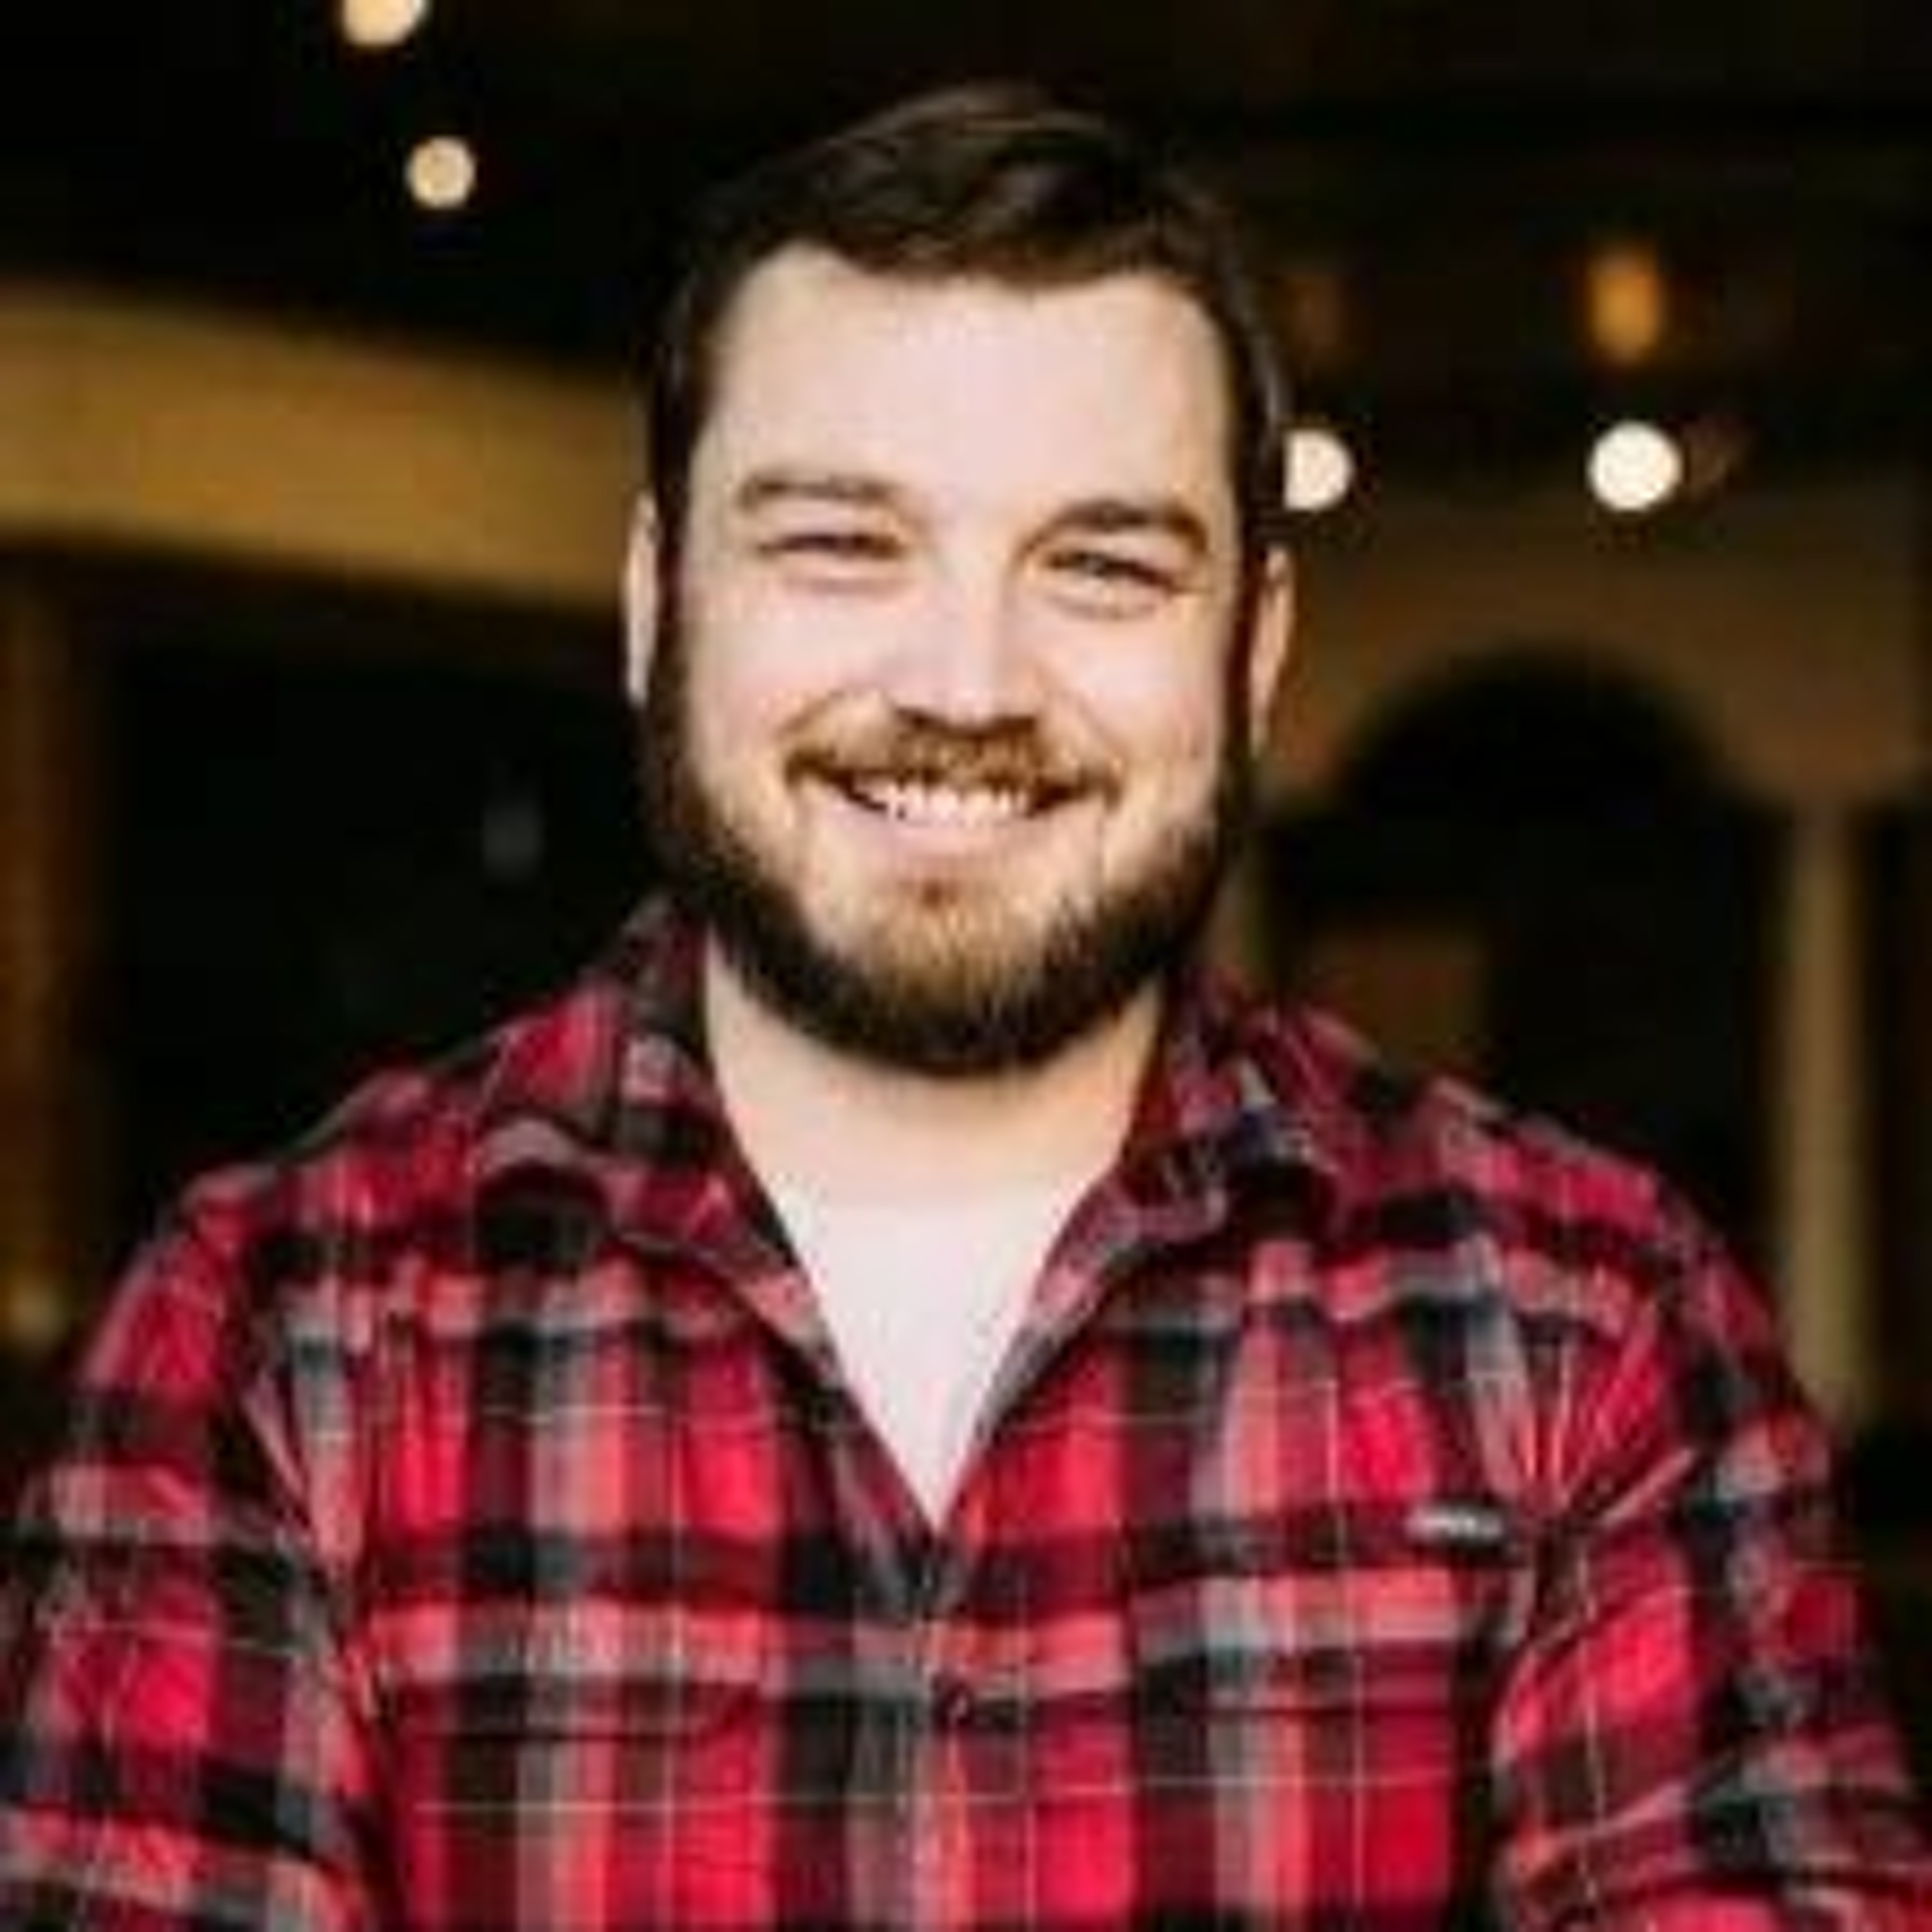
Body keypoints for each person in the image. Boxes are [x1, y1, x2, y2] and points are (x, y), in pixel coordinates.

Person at [1, 81, 1927, 1931]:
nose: (968, 683)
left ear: (1254, 651)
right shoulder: (277, 1337)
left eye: (1101, 564)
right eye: (843, 544)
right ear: (660, 602)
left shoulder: (1589, 1327)